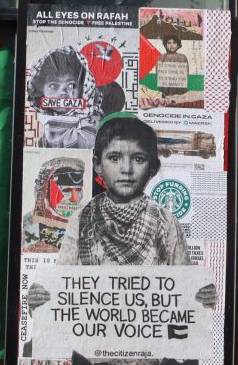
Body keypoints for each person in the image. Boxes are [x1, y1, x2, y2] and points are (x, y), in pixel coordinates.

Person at [57, 113, 190, 265]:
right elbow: (62, 280)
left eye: (138, 159)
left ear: (153, 167)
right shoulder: (81, 220)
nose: (126, 169)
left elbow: (185, 283)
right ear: (97, 164)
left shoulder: (166, 223)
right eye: (114, 158)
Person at [27, 46, 101, 149]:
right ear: (41, 90)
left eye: (71, 85)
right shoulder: (45, 118)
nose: (63, 93)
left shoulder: (90, 117)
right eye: (53, 86)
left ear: (82, 89)